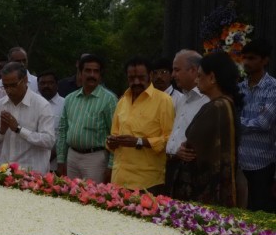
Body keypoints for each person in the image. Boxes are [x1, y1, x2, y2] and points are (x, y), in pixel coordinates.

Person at [172, 52, 242, 207]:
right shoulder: (221, 105)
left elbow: (195, 143)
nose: (196, 81)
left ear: (212, 78)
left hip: (207, 189)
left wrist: (185, 147)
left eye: (200, 76)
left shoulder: (217, 107)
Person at [107, 57, 174, 193]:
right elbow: (113, 134)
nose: (136, 82)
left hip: (148, 182)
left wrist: (140, 141)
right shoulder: (122, 101)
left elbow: (170, 140)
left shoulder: (163, 100)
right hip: (119, 179)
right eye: (131, 78)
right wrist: (111, 142)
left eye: (140, 77)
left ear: (150, 75)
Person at [0, 62, 55, 174]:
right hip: (6, 172)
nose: (9, 90)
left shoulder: (42, 105)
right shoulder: (0, 105)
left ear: (25, 80)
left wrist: (19, 129)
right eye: (5, 86)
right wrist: (1, 131)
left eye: (13, 85)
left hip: (33, 174)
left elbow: (49, 141)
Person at [58, 55, 117, 183]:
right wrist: (61, 160)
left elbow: (115, 135)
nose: (92, 75)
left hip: (95, 158)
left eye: (96, 71)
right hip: (72, 156)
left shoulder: (109, 100)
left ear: (100, 75)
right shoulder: (70, 99)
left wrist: (111, 166)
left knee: (92, 199)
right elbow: (63, 131)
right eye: (88, 70)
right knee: (69, 196)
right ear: (80, 73)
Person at [238, 39, 276, 213]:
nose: (246, 62)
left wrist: (236, 122)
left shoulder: (273, 88)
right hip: (239, 163)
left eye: (252, 58)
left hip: (262, 164)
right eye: (244, 58)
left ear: (265, 60)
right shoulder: (239, 88)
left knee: (260, 215)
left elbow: (264, 123)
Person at [164, 50, 209, 196]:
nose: (172, 75)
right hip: (172, 167)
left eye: (177, 70)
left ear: (193, 70)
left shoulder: (207, 101)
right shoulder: (182, 98)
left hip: (190, 172)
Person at [37, 70, 65, 171]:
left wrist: (50, 156)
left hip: (57, 163)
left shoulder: (65, 104)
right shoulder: (33, 104)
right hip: (34, 162)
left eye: (50, 83)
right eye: (42, 83)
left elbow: (64, 134)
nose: (46, 86)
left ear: (57, 85)